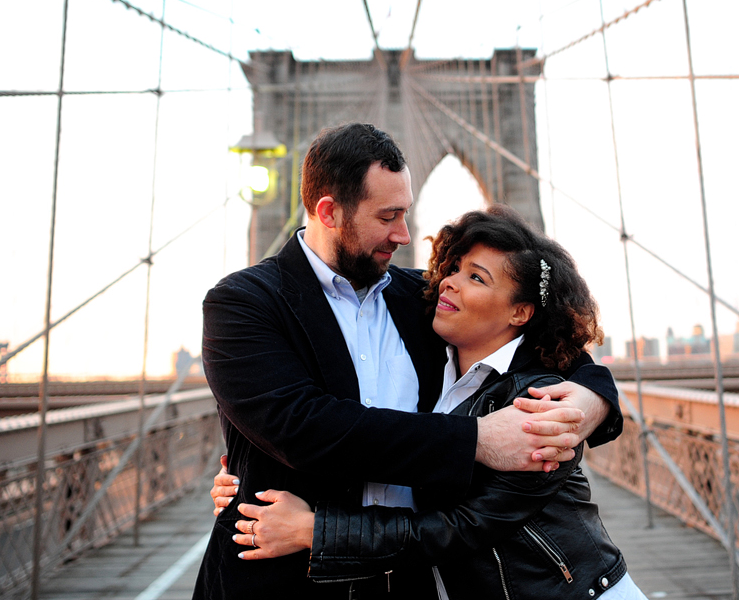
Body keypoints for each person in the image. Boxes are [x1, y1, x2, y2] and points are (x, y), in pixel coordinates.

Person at [194, 123, 622, 599]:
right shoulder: (243, 302)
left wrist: (591, 400)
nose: (403, 234)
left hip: (410, 580)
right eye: (388, 216)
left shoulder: (422, 299)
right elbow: (303, 428)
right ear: (329, 212)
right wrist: (477, 440)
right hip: (283, 577)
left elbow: (550, 342)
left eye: (406, 214)